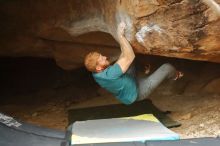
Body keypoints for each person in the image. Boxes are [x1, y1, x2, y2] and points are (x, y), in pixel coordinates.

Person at [84, 22, 183, 105]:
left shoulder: (96, 73)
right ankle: (175, 76)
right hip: (137, 92)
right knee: (167, 67)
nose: (105, 57)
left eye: (102, 56)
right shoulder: (109, 74)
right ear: (99, 68)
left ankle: (144, 69)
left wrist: (121, 39)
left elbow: (123, 57)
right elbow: (130, 56)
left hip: (128, 80)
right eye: (102, 59)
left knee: (128, 59)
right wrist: (121, 36)